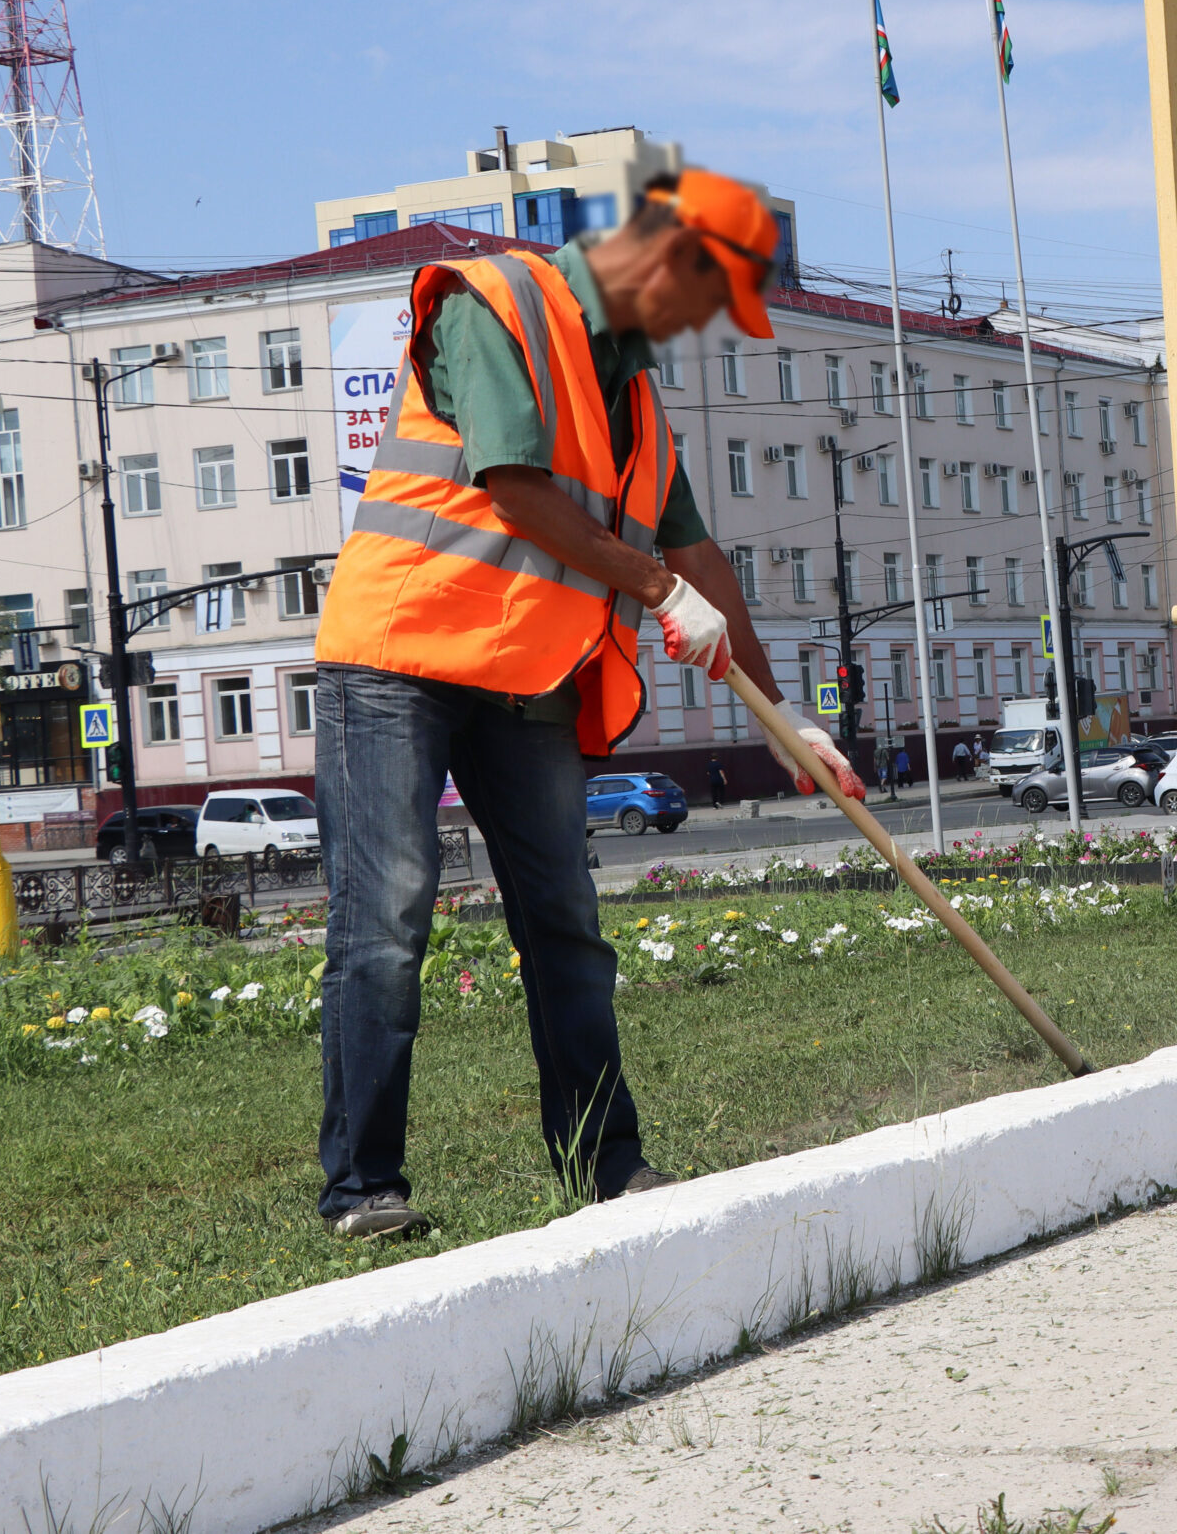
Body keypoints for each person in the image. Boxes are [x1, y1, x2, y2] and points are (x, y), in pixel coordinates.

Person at [312, 170, 863, 1241]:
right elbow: (513, 484)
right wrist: (656, 589)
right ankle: (362, 1188)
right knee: (386, 920)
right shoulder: (494, 304)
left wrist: (776, 717)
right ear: (669, 259)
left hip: (526, 673)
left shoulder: (637, 396)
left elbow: (694, 549)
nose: (701, 326)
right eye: (707, 300)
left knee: (565, 921)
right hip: (400, 658)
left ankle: (609, 1168)